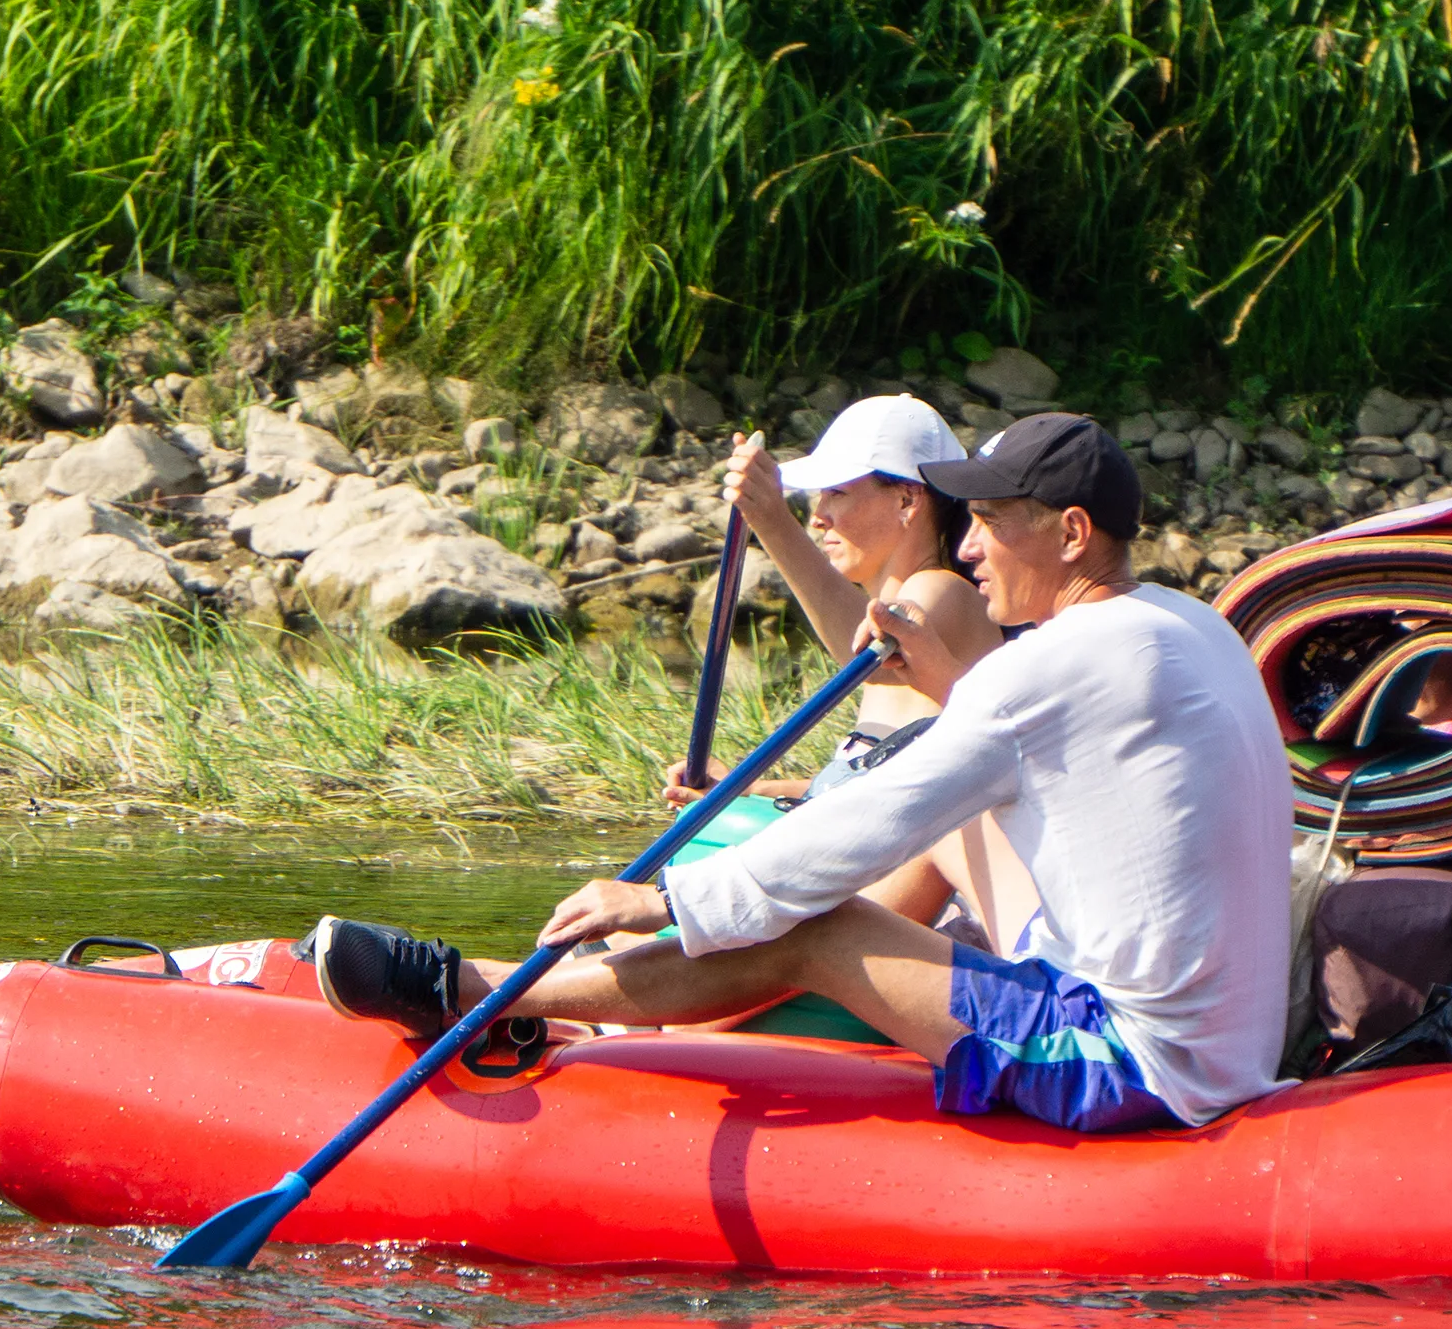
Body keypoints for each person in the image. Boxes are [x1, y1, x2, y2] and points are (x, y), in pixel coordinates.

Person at [308, 413, 1296, 1133]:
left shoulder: (1053, 661)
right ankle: (600, 1002)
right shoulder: (1190, 623)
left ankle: (480, 994)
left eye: (994, 521)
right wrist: (948, 690)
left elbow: (870, 823)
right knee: (922, 837)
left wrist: (662, 900)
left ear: (1073, 534)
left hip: (1133, 1064)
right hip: (1218, 1047)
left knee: (815, 926)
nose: (968, 545)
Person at [685, 395, 1037, 949]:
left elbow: (869, 657)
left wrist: (772, 521)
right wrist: (743, 790)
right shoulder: (909, 599)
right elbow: (868, 783)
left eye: (838, 493)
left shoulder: (941, 591)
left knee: (638, 946)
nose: (818, 516)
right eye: (818, 497)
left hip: (918, 917)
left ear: (907, 499)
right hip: (875, 889)